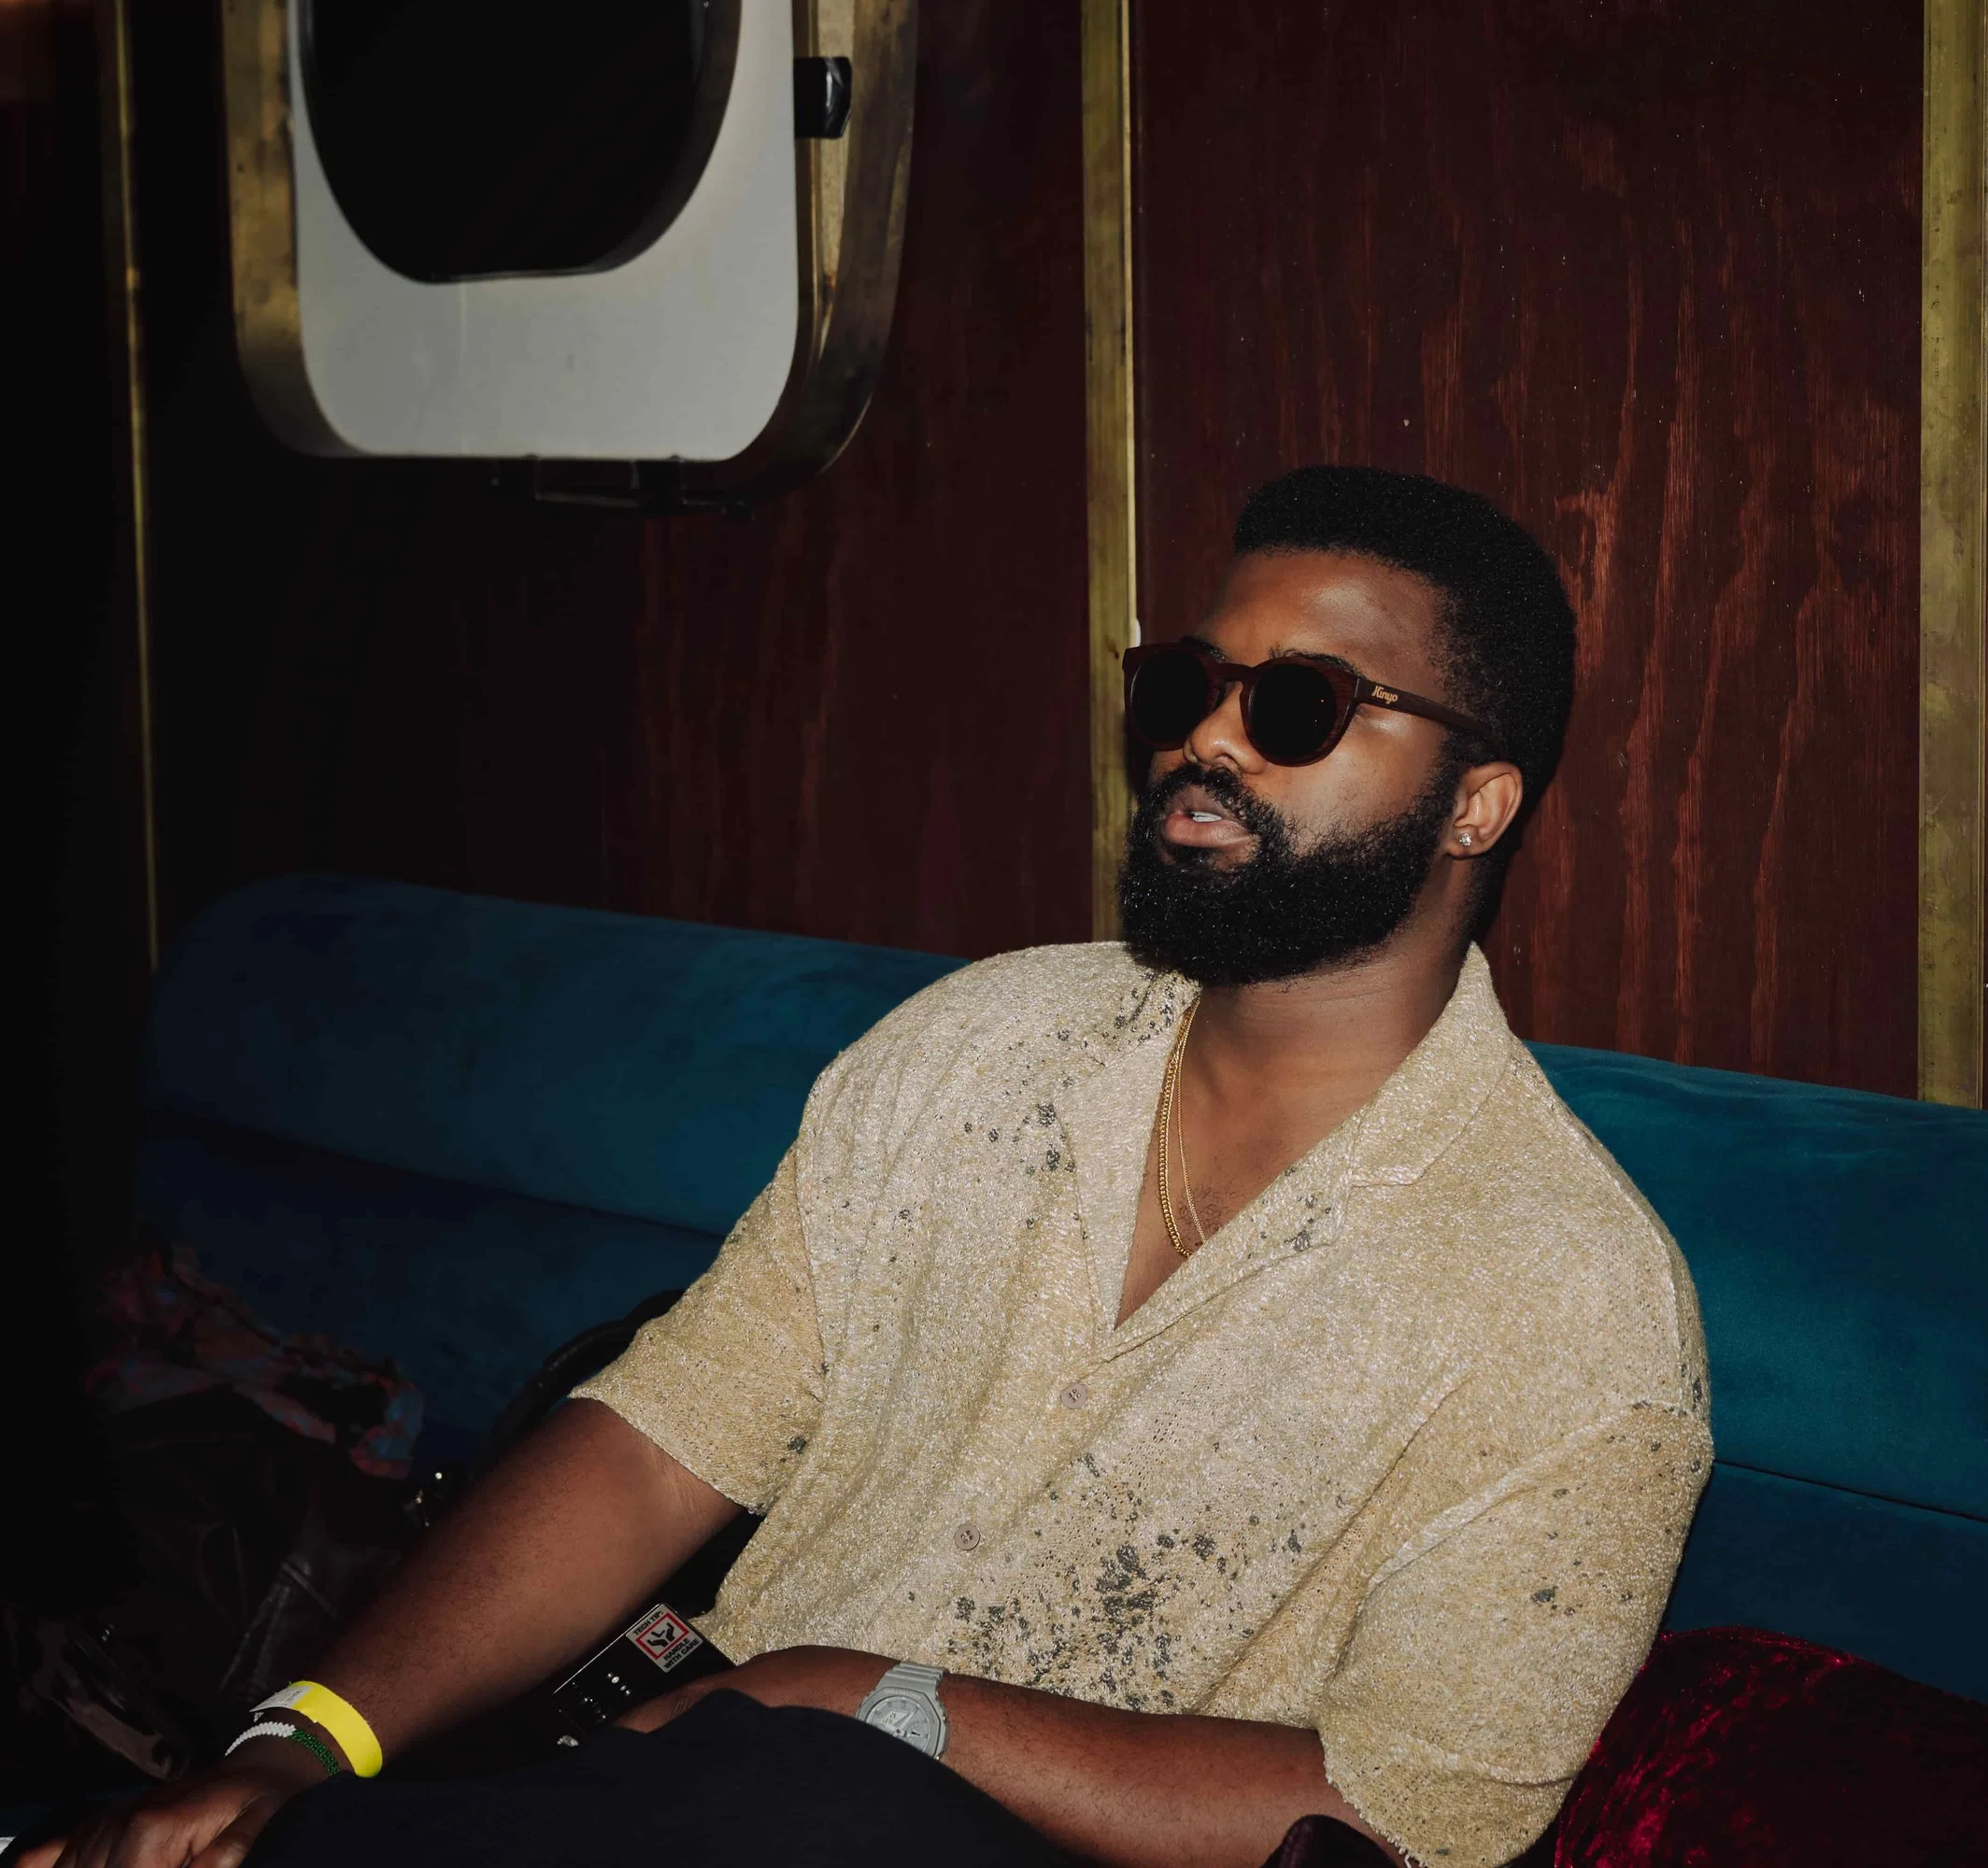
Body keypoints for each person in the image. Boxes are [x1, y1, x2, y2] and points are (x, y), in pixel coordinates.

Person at [34, 467, 1709, 1868]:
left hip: (927, 1824)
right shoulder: (984, 1045)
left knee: (818, 1789)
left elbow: (1408, 1818)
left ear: (1478, 805)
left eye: (1295, 706)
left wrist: (869, 1696)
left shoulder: (1572, 1301)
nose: (1207, 742)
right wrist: (300, 1750)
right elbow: (662, 1434)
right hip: (686, 1797)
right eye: (1185, 689)